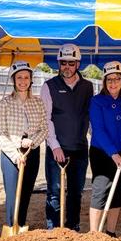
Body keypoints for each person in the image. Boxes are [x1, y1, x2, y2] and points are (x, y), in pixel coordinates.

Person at [41, 43, 93, 231]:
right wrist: (55, 146)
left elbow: (90, 117)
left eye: (71, 63)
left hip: (79, 149)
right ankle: (53, 230)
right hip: (57, 149)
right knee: (54, 192)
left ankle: (73, 229)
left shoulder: (88, 87)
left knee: (75, 193)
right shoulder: (49, 86)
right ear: (58, 64)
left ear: (78, 64)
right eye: (63, 63)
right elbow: (46, 119)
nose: (67, 67)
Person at [0, 61, 48, 229]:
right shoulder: (4, 104)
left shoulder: (38, 103)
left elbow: (44, 128)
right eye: (19, 77)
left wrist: (32, 142)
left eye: (26, 77)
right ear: (13, 80)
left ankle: (22, 224)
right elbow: (0, 133)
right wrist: (16, 152)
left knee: (25, 193)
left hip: (31, 151)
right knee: (13, 195)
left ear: (31, 80)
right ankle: (12, 227)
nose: (23, 81)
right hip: (11, 154)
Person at [88, 61, 121, 235]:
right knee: (100, 190)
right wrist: (113, 154)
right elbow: (98, 131)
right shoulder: (96, 101)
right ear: (104, 82)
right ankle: (94, 233)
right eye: (109, 79)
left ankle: (110, 231)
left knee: (117, 190)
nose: (113, 83)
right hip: (102, 153)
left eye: (117, 79)